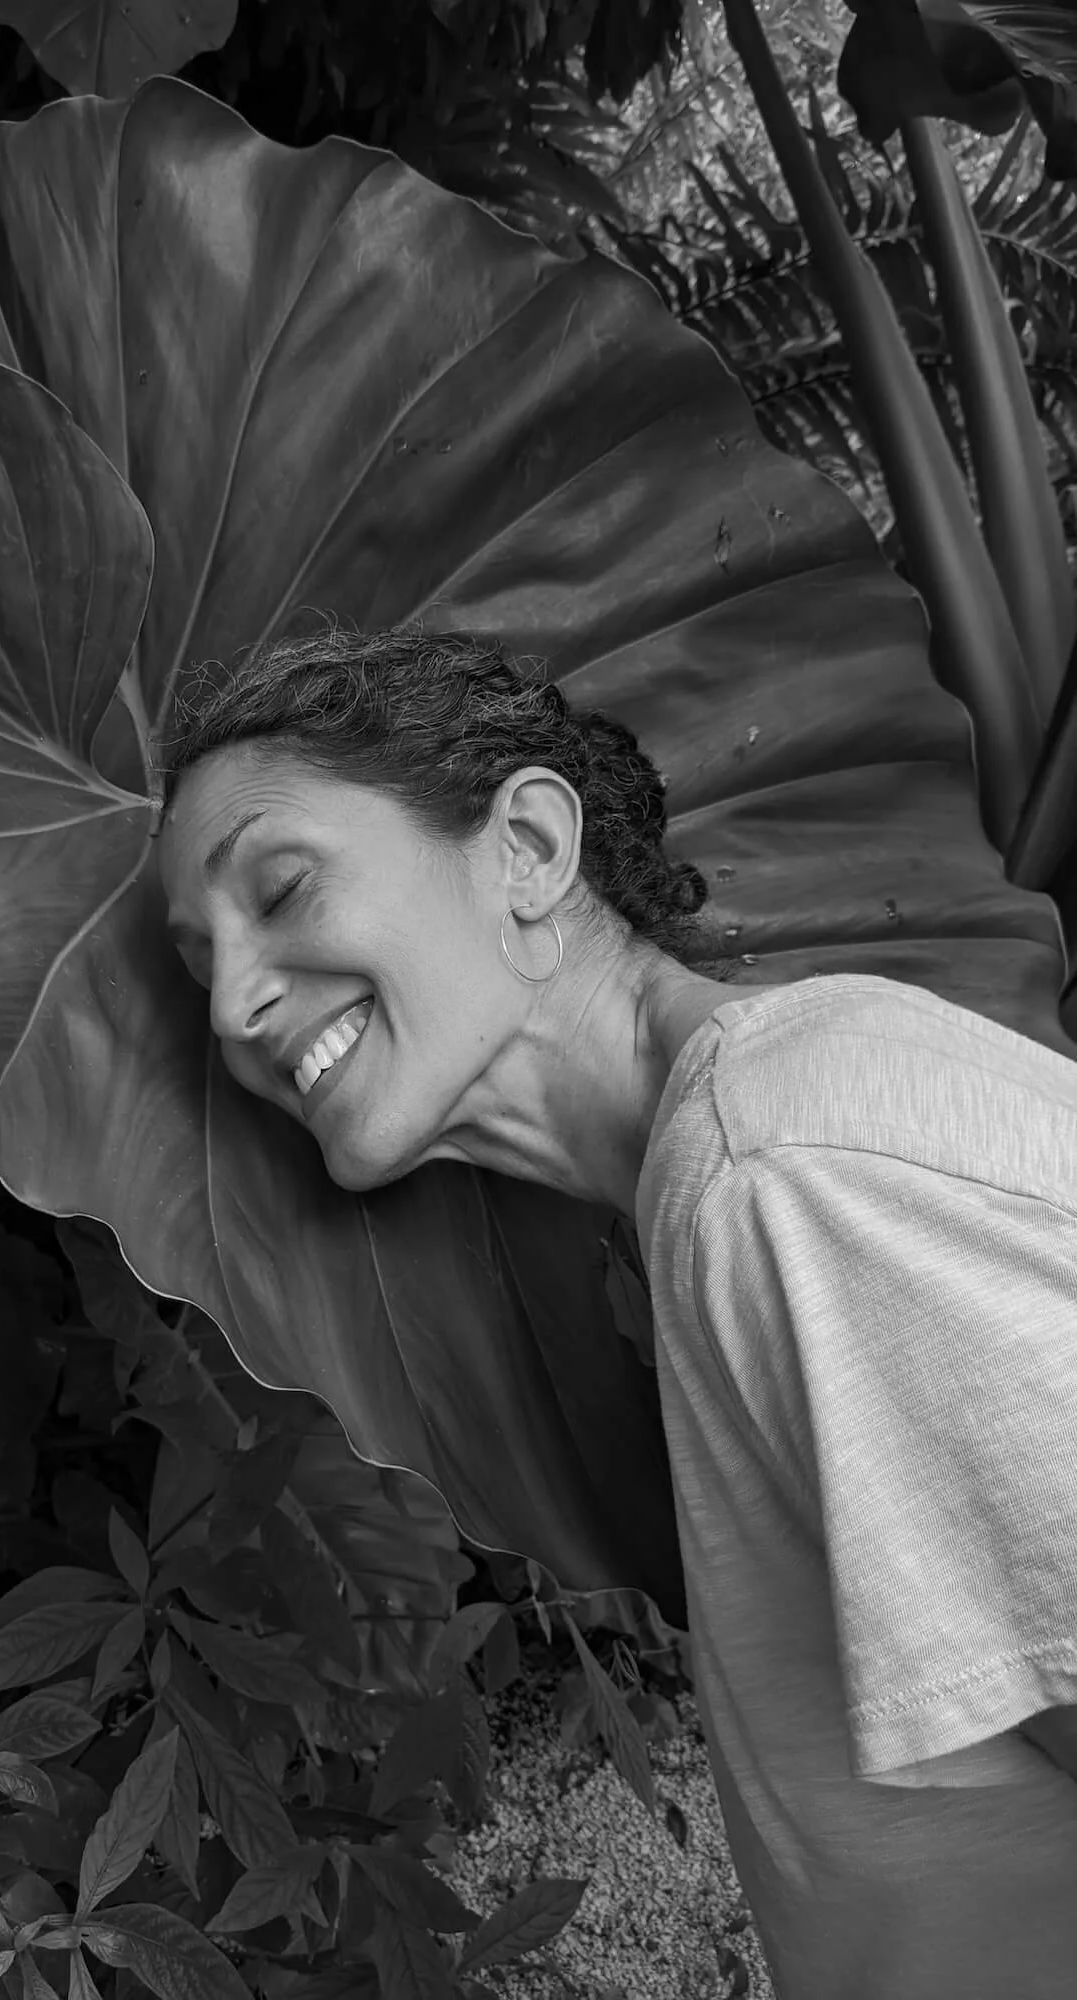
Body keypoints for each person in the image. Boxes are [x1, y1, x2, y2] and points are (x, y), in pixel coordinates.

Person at [156, 621, 1077, 2000]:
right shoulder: (756, 1136)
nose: (232, 1007)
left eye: (281, 889)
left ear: (526, 849)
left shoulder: (785, 1173)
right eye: (196, 963)